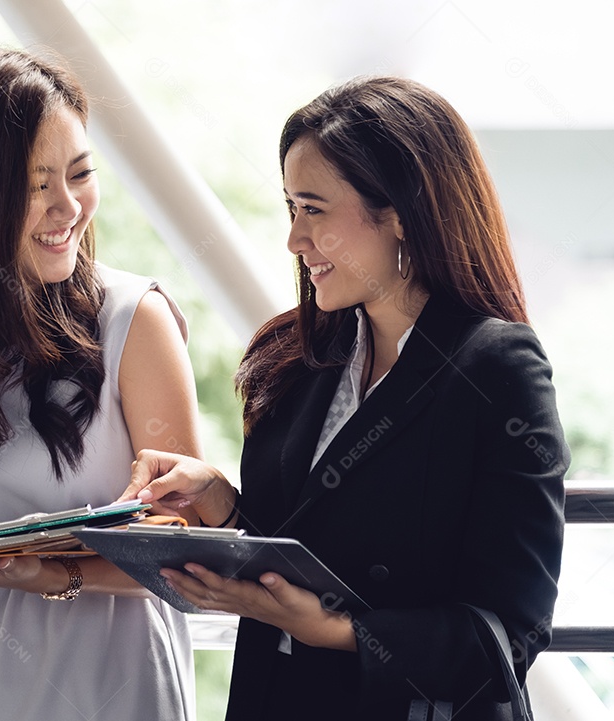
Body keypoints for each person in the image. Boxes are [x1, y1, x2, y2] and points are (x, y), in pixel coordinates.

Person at [122, 76, 568, 720]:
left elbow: (509, 634)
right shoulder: (301, 360)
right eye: (290, 207)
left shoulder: (495, 365)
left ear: (399, 214)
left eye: (314, 209)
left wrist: (336, 630)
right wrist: (222, 509)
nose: (294, 240)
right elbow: (305, 550)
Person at [0, 45, 201, 720]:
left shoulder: (135, 320)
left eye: (80, 174)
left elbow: (186, 547)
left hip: (116, 679)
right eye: (34, 185)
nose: (69, 207)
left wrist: (56, 574)